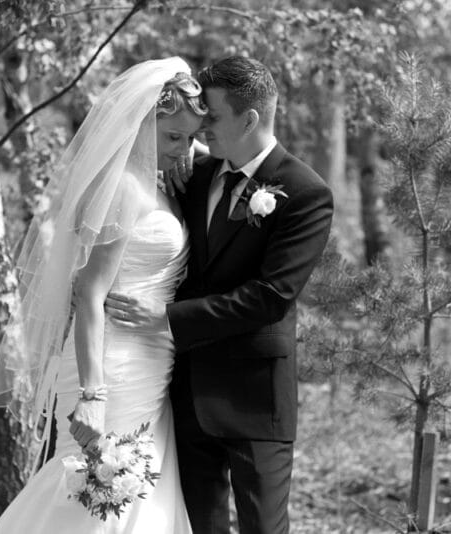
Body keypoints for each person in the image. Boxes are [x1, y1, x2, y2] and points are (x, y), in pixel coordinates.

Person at [105, 56, 334, 533]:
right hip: (186, 392)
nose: (202, 127)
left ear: (248, 118)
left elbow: (271, 296)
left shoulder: (306, 192)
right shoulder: (193, 174)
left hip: (255, 398)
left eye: (211, 116)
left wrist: (167, 317)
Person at [0, 57, 206, 533]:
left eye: (190, 138)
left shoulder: (159, 181)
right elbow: (89, 296)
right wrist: (92, 394)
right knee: (96, 494)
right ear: (142, 124)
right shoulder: (123, 188)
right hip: (111, 366)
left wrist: (183, 146)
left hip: (151, 364)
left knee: (136, 495)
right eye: (172, 137)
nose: (183, 148)